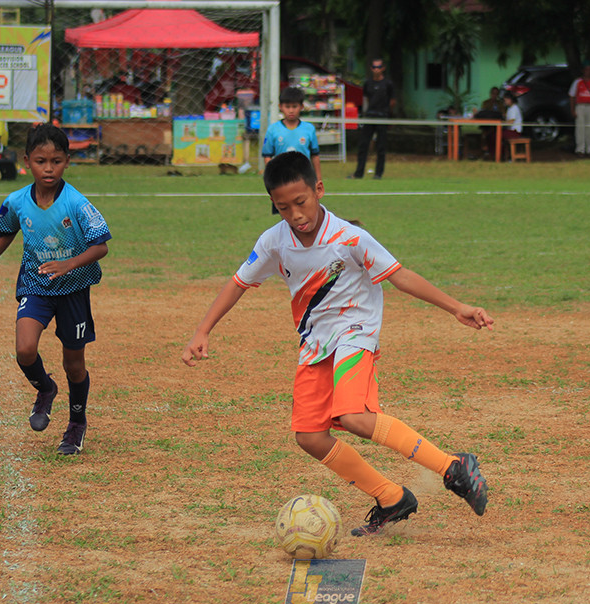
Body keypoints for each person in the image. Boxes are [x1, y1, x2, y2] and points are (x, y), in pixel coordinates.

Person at [182, 152, 494, 536]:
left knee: (354, 417)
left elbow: (401, 276)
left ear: (319, 189)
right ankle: (391, 497)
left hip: (355, 333)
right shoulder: (274, 243)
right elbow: (238, 283)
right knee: (310, 437)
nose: (295, 214)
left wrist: (456, 307)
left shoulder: (349, 237)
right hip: (316, 343)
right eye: (283, 207)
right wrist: (203, 330)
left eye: (301, 202)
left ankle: (453, 467)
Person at [0, 124, 112, 454]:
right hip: (36, 285)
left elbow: (101, 246)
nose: (48, 169)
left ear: (67, 161)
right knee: (24, 349)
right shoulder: (16, 201)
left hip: (74, 288)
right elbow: (7, 231)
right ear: (27, 161)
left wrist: (68, 264)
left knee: (74, 365)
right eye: (40, 161)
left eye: (56, 161)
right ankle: (45, 389)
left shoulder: (77, 203)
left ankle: (76, 425)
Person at [262, 86, 323, 185]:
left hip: (304, 178)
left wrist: (318, 179)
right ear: (280, 107)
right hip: (281, 178)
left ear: (301, 107)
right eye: (287, 107)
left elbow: (315, 155)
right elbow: (267, 156)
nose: (291, 110)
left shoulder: (309, 129)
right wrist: (271, 176)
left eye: (294, 106)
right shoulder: (273, 129)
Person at [349, 58, 396, 180]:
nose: (376, 70)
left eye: (379, 67)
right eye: (374, 67)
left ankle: (378, 174)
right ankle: (359, 173)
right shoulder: (368, 83)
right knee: (363, 145)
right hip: (370, 117)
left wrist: (386, 112)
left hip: (382, 117)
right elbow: (366, 99)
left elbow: (392, 101)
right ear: (371, 69)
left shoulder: (388, 84)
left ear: (383, 68)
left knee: (381, 146)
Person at [569, 64, 590, 155]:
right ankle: (580, 149)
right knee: (580, 128)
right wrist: (572, 109)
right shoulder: (578, 82)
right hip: (580, 106)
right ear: (583, 71)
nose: (588, 72)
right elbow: (572, 96)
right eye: (586, 70)